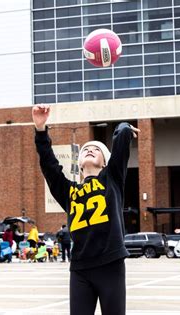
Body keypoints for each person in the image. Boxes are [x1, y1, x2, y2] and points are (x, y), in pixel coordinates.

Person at [33, 104, 140, 315]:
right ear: (79, 163)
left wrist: (125, 127)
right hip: (81, 267)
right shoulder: (69, 191)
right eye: (85, 150)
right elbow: (49, 165)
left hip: (111, 263)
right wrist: (40, 128)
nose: (90, 150)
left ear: (105, 162)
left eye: (96, 149)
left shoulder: (112, 179)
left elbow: (121, 137)